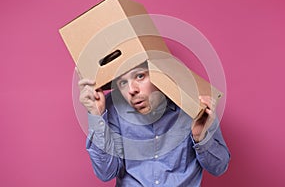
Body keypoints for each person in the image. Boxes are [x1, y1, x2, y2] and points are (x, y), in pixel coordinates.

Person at [77, 62, 230, 186]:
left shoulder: (194, 103)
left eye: (140, 76)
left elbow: (219, 167)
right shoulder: (112, 106)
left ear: (158, 73)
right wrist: (97, 117)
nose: (132, 90)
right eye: (123, 82)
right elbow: (106, 173)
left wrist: (200, 138)